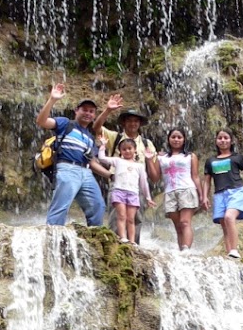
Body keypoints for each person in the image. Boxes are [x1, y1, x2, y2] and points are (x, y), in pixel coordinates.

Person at [36, 83, 119, 227]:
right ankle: (53, 235)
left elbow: (92, 162)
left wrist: (110, 175)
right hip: (67, 168)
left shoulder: (89, 137)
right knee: (61, 206)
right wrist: (52, 100)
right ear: (76, 111)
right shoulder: (65, 124)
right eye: (84, 110)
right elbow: (41, 121)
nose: (88, 113)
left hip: (86, 172)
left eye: (91, 111)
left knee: (98, 205)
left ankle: (93, 237)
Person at [93, 100, 159, 243]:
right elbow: (96, 127)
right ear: (123, 123)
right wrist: (108, 110)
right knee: (116, 218)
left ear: (140, 124)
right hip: (117, 185)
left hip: (137, 187)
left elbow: (154, 176)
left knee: (136, 219)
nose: (133, 124)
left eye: (136, 121)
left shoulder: (147, 144)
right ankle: (114, 251)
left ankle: (134, 249)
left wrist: (148, 160)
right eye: (129, 121)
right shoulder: (114, 137)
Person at [202, 129, 243, 259]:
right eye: (220, 138)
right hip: (219, 194)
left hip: (236, 191)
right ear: (216, 141)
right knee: (225, 226)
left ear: (231, 140)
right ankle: (230, 254)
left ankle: (234, 249)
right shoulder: (210, 161)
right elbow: (207, 181)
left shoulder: (237, 157)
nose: (223, 140)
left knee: (229, 217)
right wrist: (204, 196)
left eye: (226, 138)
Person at [146, 128, 203, 251]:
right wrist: (150, 160)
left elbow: (196, 176)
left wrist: (202, 195)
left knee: (184, 222)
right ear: (168, 139)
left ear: (184, 140)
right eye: (173, 137)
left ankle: (186, 249)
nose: (176, 140)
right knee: (178, 226)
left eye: (179, 137)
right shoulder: (161, 158)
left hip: (187, 189)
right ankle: (181, 250)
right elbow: (155, 178)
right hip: (170, 192)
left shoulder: (190, 156)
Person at [98, 136, 155, 243]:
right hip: (119, 191)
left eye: (130, 148)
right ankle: (123, 237)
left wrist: (148, 197)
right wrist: (103, 145)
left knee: (131, 219)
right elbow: (102, 158)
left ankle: (132, 241)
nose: (127, 151)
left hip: (133, 193)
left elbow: (143, 182)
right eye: (124, 149)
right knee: (121, 216)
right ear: (120, 151)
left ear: (135, 150)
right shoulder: (117, 161)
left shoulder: (139, 166)